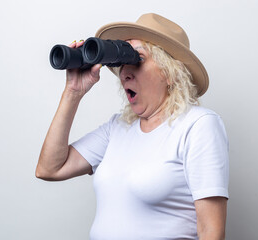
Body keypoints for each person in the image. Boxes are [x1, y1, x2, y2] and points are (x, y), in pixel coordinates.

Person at [36, 13, 229, 240]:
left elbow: (211, 232)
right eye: (121, 62)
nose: (124, 73)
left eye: (138, 59)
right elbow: (49, 169)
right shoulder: (117, 128)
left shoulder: (198, 125)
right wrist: (73, 92)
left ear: (169, 73)